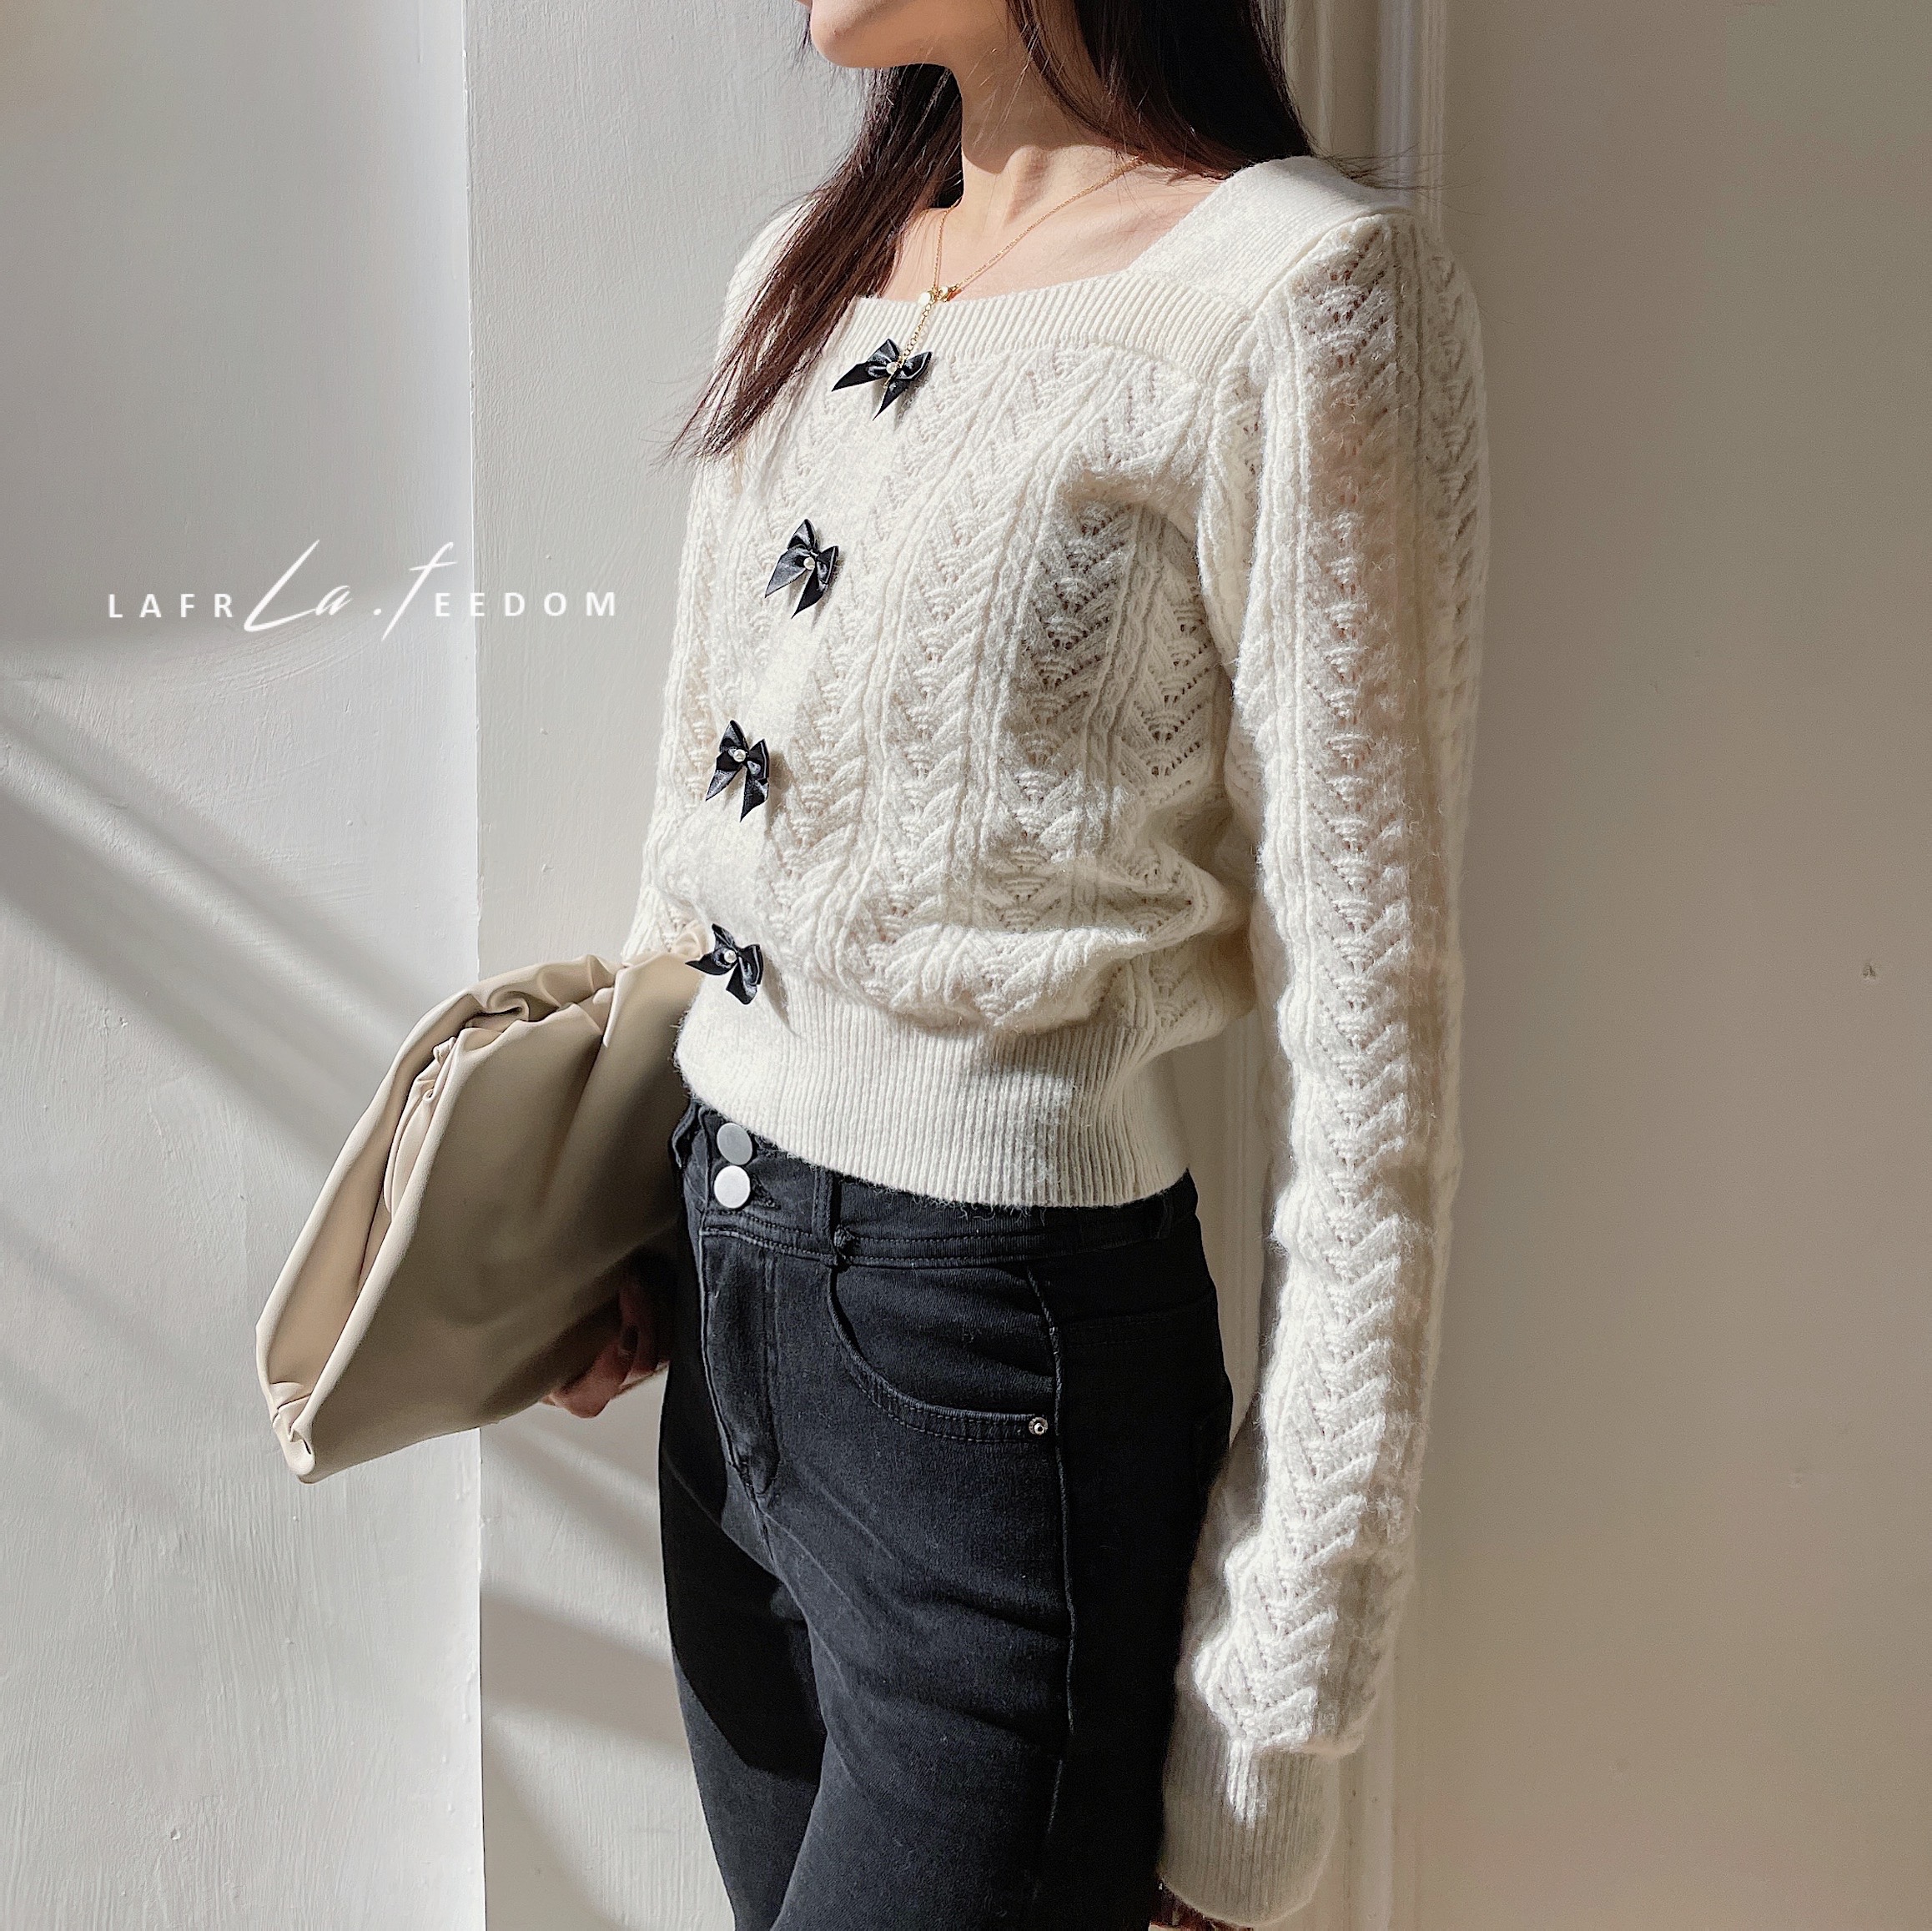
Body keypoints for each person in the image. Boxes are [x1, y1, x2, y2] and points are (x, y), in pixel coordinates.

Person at [546, 2, 1488, 1926]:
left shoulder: (1300, 298)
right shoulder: (808, 270)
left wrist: (1267, 1728)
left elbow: (1375, 1054)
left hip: (995, 1400)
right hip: (723, 1361)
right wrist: (603, 1217)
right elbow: (698, 833)